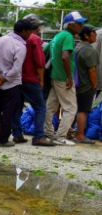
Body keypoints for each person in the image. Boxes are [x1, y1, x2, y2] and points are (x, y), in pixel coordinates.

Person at [0, 20, 33, 147]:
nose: (30, 34)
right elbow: (16, 69)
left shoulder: (0, 40)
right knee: (8, 111)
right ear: (23, 31)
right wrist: (3, 79)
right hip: (11, 84)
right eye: (29, 31)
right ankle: (2, 139)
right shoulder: (20, 46)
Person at [43, 11, 86, 145]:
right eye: (79, 24)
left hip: (55, 76)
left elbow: (45, 52)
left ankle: (48, 133)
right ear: (71, 25)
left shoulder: (57, 36)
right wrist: (69, 77)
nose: (81, 26)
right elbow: (65, 56)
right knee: (71, 108)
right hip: (63, 78)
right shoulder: (68, 36)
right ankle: (60, 137)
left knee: (50, 106)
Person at [13, 14, 53, 147]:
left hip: (17, 78)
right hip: (31, 78)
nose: (39, 28)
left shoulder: (16, 38)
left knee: (17, 108)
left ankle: (17, 134)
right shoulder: (35, 39)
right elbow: (40, 62)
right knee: (40, 107)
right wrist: (41, 80)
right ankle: (39, 136)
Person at [74, 26, 98, 144]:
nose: (96, 35)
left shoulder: (78, 47)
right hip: (86, 85)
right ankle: (80, 136)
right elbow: (92, 70)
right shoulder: (89, 50)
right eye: (93, 33)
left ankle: (72, 132)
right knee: (83, 110)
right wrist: (94, 85)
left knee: (75, 109)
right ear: (87, 36)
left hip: (77, 84)